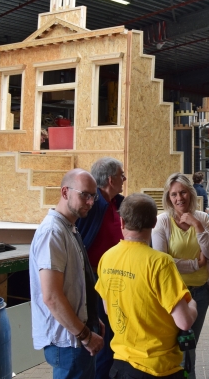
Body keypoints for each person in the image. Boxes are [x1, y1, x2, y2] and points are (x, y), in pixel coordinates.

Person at [95, 193, 198, 379]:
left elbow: (109, 309)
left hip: (121, 365)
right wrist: (193, 306)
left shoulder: (107, 258)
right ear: (153, 223)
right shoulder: (160, 263)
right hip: (159, 368)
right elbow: (184, 321)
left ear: (122, 222)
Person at [29, 169, 105, 379]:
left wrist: (90, 317)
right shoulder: (52, 232)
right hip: (69, 342)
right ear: (65, 192)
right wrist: (85, 335)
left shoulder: (69, 228)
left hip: (76, 336)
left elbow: (75, 282)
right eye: (85, 195)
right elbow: (51, 297)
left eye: (93, 196)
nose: (90, 202)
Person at [152, 173, 209, 378]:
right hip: (174, 295)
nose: (179, 198)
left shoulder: (204, 218)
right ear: (168, 197)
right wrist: (194, 263)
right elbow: (162, 262)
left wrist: (197, 226)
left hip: (199, 293)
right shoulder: (162, 222)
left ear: (190, 193)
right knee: (174, 347)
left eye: (182, 193)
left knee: (189, 346)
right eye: (173, 194)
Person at [76, 157, 126, 379]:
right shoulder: (93, 206)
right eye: (121, 175)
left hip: (118, 279)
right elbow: (80, 241)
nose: (124, 179)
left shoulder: (118, 203)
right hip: (96, 281)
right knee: (103, 341)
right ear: (110, 179)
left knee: (114, 337)